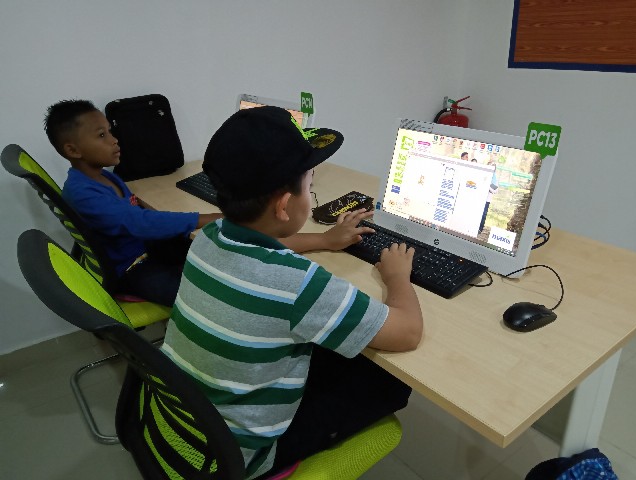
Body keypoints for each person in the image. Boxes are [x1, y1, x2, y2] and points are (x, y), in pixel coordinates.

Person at [161, 106, 423, 479]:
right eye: (310, 186)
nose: (311, 194)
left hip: (183, 424)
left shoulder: (208, 236)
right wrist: (397, 277)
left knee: (326, 347)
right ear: (285, 205)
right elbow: (407, 333)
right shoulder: (297, 284)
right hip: (238, 457)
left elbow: (262, 247)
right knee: (387, 381)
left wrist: (324, 240)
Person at [43, 99, 222, 306]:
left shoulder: (103, 177)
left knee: (210, 252)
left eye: (110, 132)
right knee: (203, 299)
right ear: (73, 150)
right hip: (132, 268)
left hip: (144, 248)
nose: (114, 140)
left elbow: (136, 215)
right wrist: (202, 218)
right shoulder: (83, 194)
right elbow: (139, 222)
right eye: (101, 135)